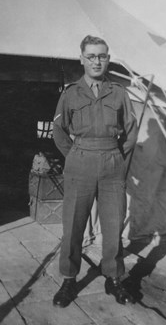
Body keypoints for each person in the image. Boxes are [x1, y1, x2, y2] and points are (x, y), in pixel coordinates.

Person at [52, 35, 138, 308]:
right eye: (91, 56)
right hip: (81, 161)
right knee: (74, 225)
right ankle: (68, 279)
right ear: (81, 58)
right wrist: (76, 156)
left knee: (113, 226)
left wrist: (116, 157)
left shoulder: (119, 93)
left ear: (108, 58)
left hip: (112, 163)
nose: (96, 61)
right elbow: (59, 130)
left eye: (101, 56)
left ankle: (113, 279)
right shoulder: (70, 93)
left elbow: (131, 131)